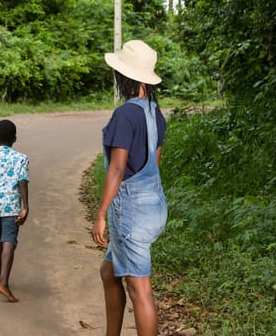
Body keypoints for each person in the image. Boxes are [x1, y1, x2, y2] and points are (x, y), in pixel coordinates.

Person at [91, 40, 168, 336]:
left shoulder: (125, 115)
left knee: (140, 289)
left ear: (124, 77)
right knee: (109, 272)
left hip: (132, 212)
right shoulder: (154, 112)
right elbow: (154, 165)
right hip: (154, 207)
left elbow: (118, 168)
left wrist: (101, 213)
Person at [0, 119, 29, 303]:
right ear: (15, 139)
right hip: (11, 205)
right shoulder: (21, 158)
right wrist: (25, 206)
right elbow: (22, 181)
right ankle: (3, 282)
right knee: (9, 242)